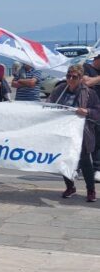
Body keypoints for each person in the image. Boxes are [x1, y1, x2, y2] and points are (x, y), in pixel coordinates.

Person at [48, 64, 100, 202]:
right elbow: (49, 104)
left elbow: (97, 112)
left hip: (81, 132)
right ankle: (70, 187)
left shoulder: (89, 93)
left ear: (81, 78)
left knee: (84, 161)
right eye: (68, 76)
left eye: (74, 77)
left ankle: (91, 190)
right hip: (63, 131)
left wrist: (87, 111)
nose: (70, 79)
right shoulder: (59, 90)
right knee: (64, 160)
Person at [82, 54, 100, 180]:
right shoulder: (86, 67)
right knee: (85, 140)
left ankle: (97, 168)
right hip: (88, 109)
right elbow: (86, 82)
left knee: (98, 140)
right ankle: (77, 166)